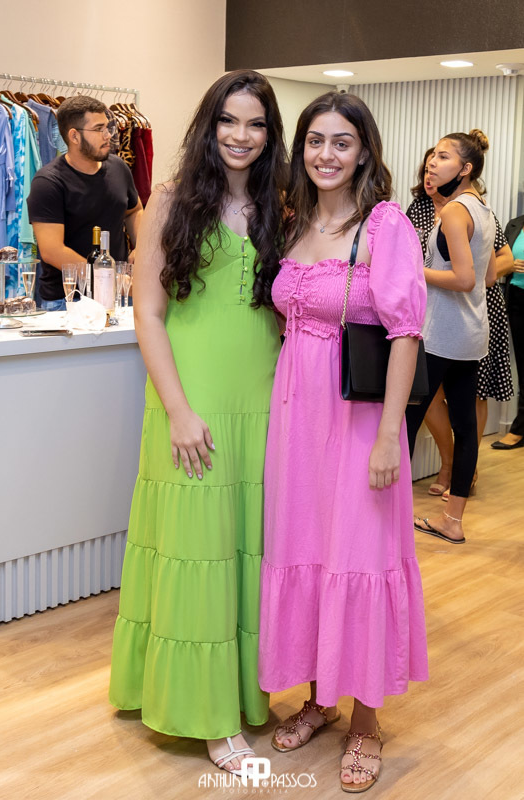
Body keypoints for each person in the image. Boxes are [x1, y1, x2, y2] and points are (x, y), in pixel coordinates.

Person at [109, 70, 287, 776]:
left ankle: (239, 694)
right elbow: (148, 314)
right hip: (192, 400)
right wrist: (179, 410)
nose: (241, 136)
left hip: (261, 400)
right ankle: (208, 715)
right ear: (208, 126)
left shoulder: (281, 206)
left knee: (244, 549)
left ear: (270, 134)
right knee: (195, 551)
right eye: (229, 121)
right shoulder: (171, 198)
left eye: (256, 124)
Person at [258, 92, 428, 793]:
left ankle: (365, 721)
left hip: (358, 422)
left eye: (341, 142)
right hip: (296, 421)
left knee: (360, 557)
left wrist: (389, 436)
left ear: (363, 152)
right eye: (315, 141)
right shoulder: (292, 222)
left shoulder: (385, 225)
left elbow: (405, 332)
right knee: (307, 550)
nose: (325, 154)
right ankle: (319, 697)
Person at [406, 130, 497, 543]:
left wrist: (412, 269)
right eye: (433, 156)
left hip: (440, 334)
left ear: (465, 168)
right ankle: (452, 521)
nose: (432, 162)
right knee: (464, 426)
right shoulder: (483, 209)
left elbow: (464, 279)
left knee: (405, 421)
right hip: (470, 335)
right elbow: (489, 276)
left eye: (443, 157)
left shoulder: (455, 211)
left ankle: (390, 521)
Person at [27, 95, 142, 310]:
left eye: (107, 127)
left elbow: (134, 210)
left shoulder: (118, 167)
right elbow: (52, 250)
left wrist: (141, 247)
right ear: (74, 136)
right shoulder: (48, 182)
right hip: (68, 300)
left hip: (119, 297)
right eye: (99, 129)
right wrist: (107, 279)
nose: (108, 135)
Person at [491, 213, 524, 450]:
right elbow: (497, 261)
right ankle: (520, 429)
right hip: (517, 300)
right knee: (522, 366)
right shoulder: (515, 224)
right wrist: (510, 266)